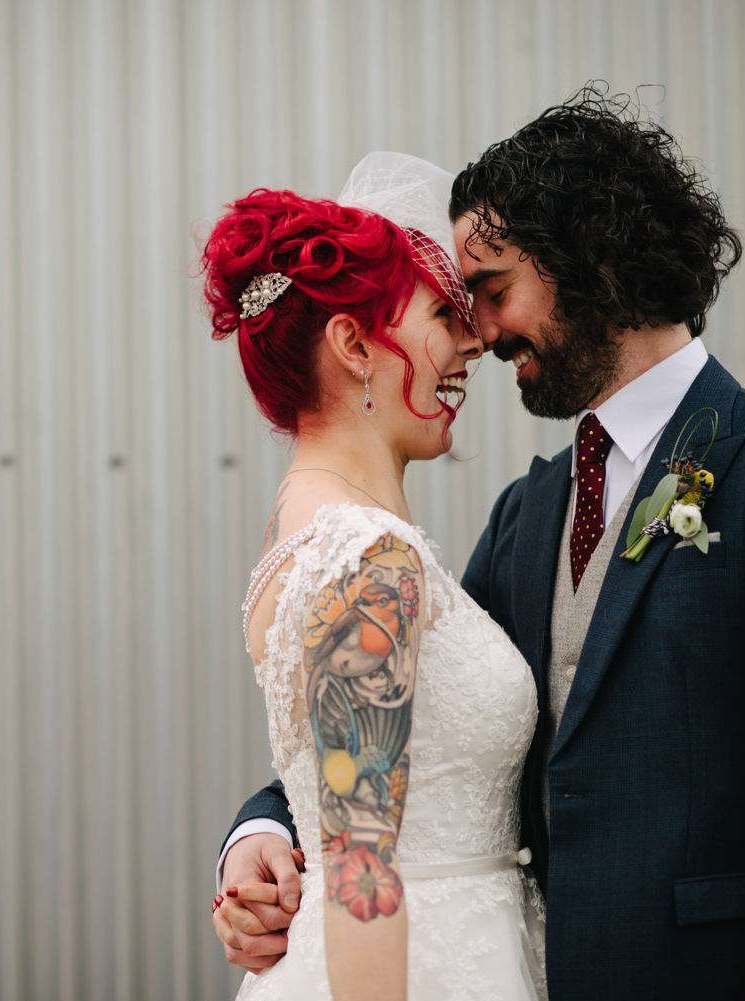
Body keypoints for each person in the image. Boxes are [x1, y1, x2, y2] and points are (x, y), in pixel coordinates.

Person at [215, 89, 745, 1000]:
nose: (480, 332)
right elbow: (396, 715)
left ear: (594, 263)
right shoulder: (528, 512)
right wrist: (262, 831)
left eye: (494, 292)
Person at [202, 152, 547, 1001]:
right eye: (441, 315)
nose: (472, 341)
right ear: (354, 344)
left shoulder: (308, 533)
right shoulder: (366, 558)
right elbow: (362, 868)